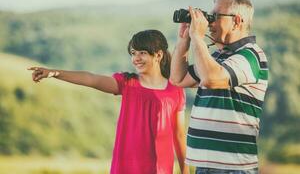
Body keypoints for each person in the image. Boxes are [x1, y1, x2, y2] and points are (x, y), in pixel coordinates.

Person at [28, 29, 189, 174]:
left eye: (142, 53)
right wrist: (55, 73)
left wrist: (185, 171)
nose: (136, 58)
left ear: (158, 55)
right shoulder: (127, 83)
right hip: (125, 168)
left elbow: (179, 135)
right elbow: (91, 79)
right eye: (133, 53)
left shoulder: (175, 90)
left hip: (160, 169)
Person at [170, 0, 268, 174]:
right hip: (205, 165)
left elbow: (210, 79)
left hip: (233, 167)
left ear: (237, 21)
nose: (209, 23)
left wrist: (198, 38)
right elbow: (178, 79)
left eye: (215, 16)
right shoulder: (217, 57)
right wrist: (184, 40)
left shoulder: (250, 56)